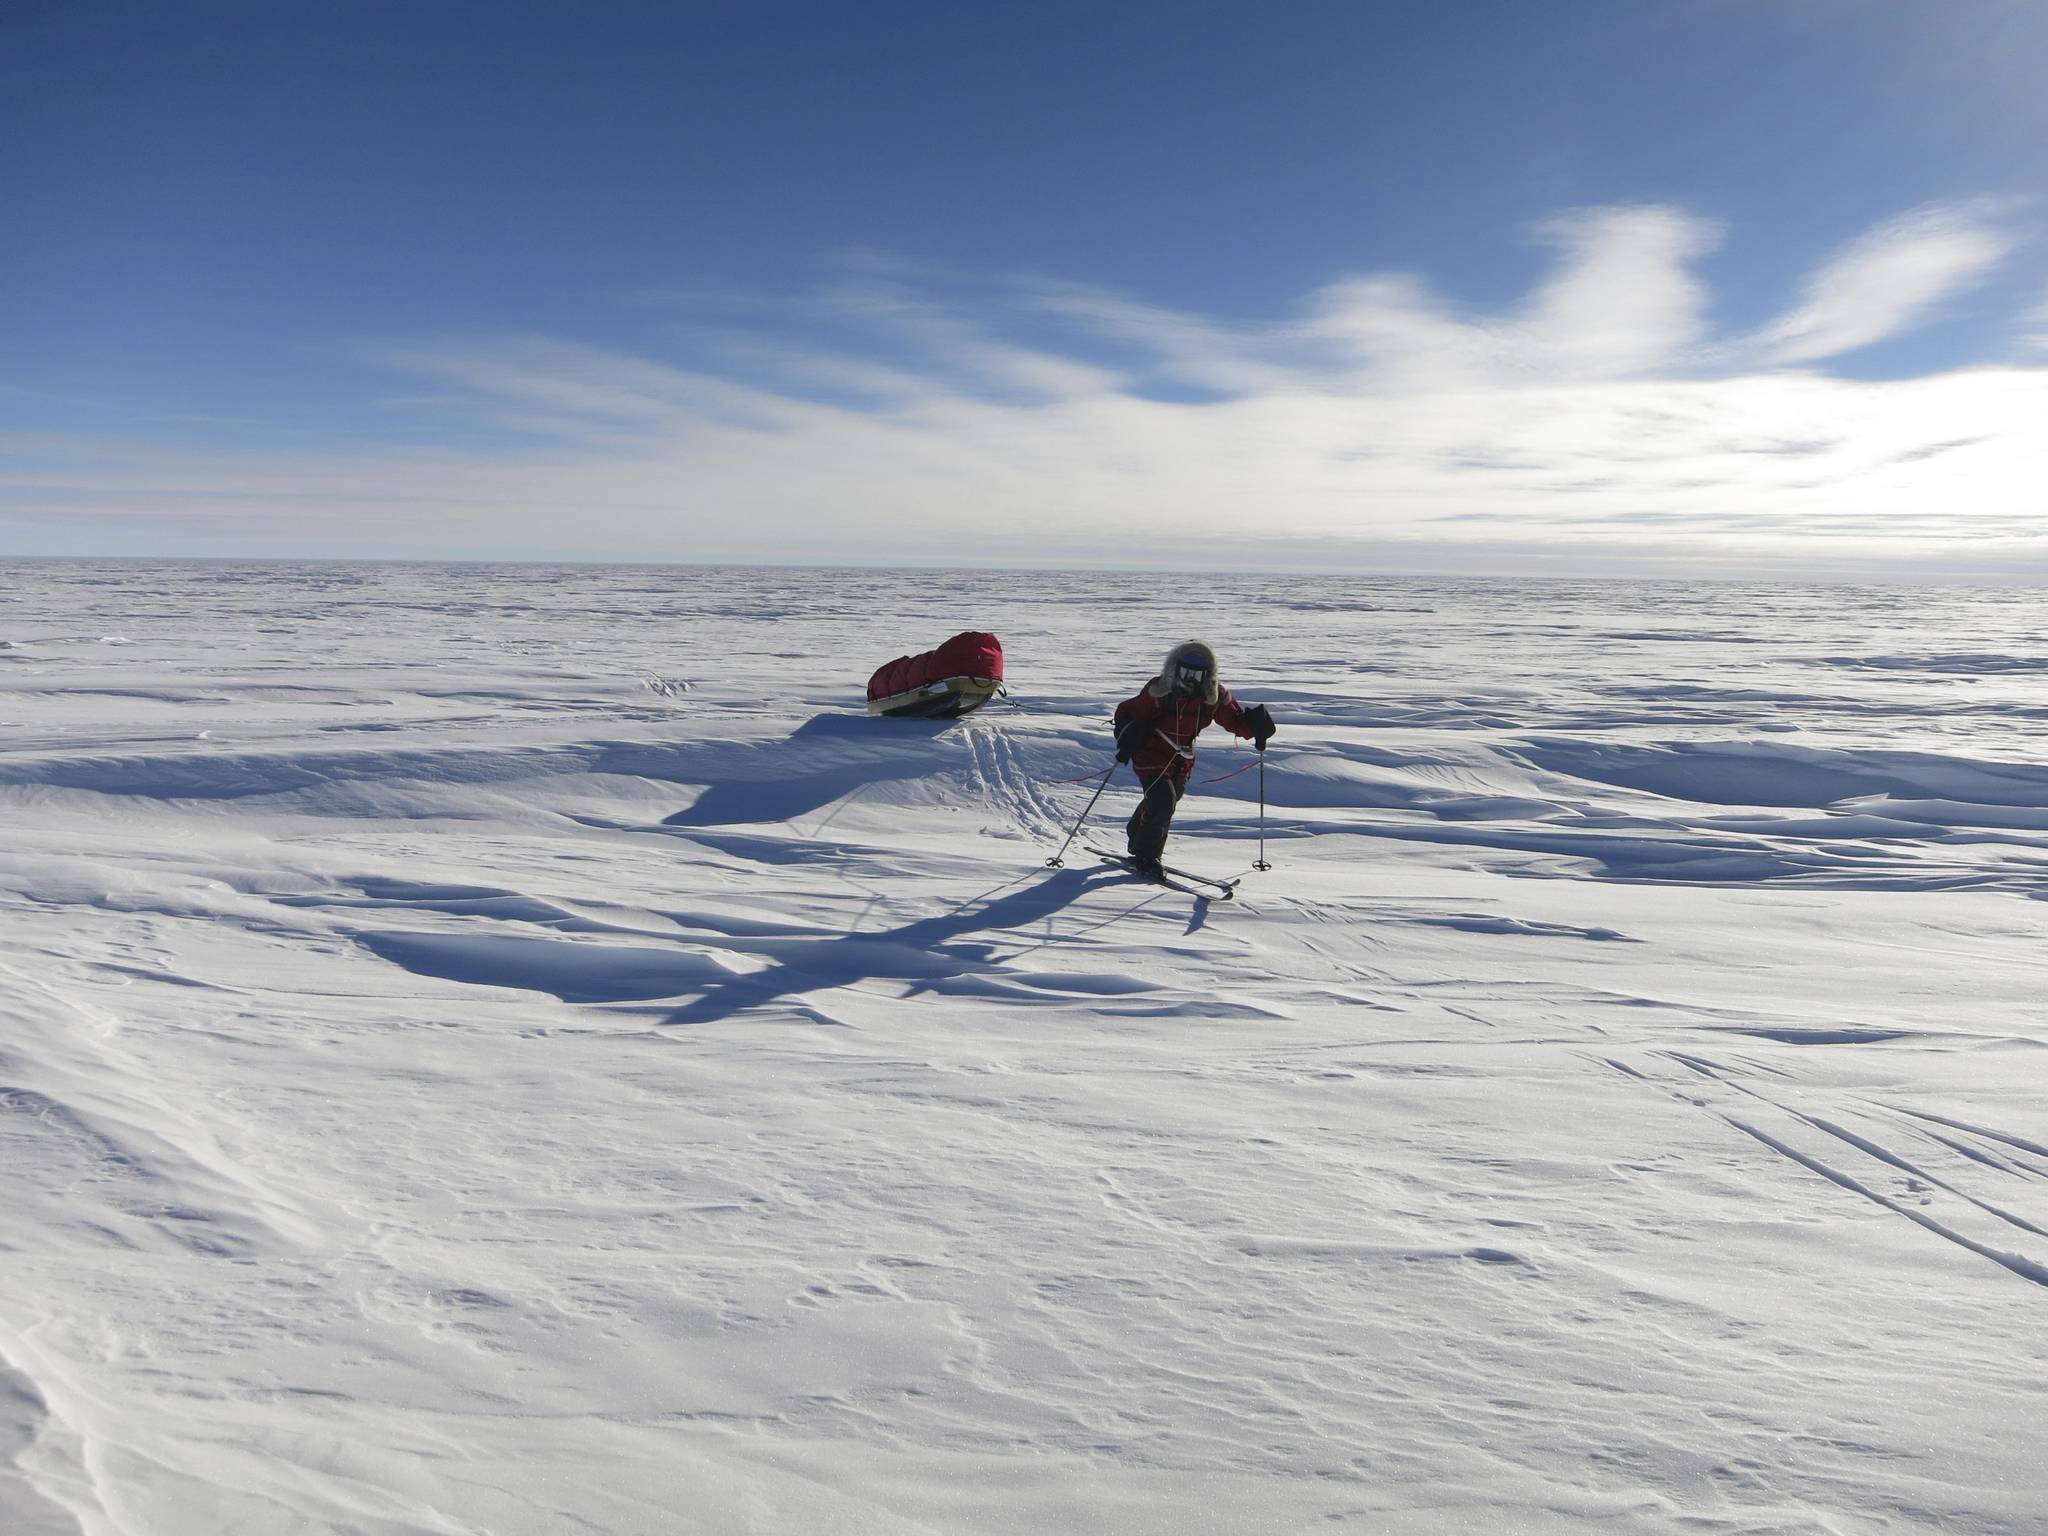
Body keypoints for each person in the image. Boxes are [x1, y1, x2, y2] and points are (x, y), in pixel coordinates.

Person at [1112, 640, 1275, 874]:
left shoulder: (1214, 695)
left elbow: (1234, 720)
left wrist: (1256, 726)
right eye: (1186, 672)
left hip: (1182, 757)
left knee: (1168, 798)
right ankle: (1147, 857)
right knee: (1163, 800)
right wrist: (1127, 732)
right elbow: (1128, 711)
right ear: (1175, 669)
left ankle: (1136, 835)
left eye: (1198, 675)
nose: (1191, 679)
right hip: (1151, 750)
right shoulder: (1160, 690)